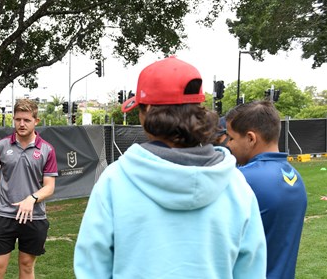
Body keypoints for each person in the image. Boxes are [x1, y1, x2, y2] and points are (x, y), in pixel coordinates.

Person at [74, 56, 267, 278]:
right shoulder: (236, 185)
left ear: (145, 112)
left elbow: (91, 269)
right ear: (199, 112)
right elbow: (251, 270)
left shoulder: (114, 181)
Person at [225, 100, 307, 279]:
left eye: (231, 138)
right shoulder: (295, 178)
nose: (228, 145)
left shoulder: (242, 179)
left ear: (250, 138)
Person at [0, 98, 58, 279]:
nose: (21, 124)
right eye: (18, 119)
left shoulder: (47, 150)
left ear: (36, 121)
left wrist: (31, 199)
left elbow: (49, 187)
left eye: (26, 120)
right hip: (4, 215)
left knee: (26, 266)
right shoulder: (1, 145)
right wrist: (7, 186)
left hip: (34, 216)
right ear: (13, 119)